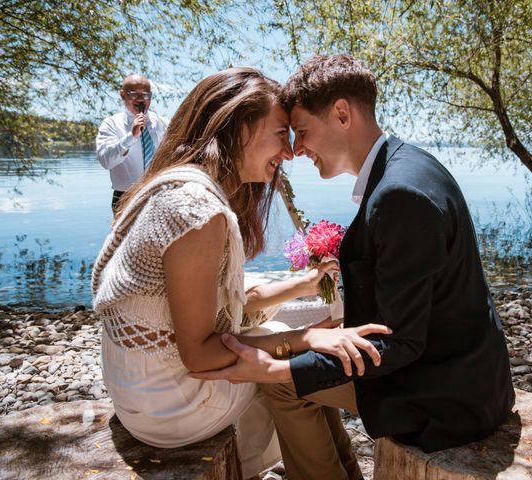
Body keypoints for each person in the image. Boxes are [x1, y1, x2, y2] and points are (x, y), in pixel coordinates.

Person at [191, 55, 516, 480]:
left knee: (283, 385)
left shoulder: (399, 194)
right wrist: (325, 333)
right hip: (459, 367)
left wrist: (279, 367)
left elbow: (400, 345)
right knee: (303, 364)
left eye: (303, 132)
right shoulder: (404, 165)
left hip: (444, 394)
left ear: (342, 114)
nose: (296, 150)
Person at [91, 67, 390, 479]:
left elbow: (223, 299)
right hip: (168, 407)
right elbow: (199, 353)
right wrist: (306, 339)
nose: (289, 152)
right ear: (237, 128)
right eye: (281, 133)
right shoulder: (196, 209)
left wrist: (303, 286)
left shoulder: (176, 184)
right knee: (291, 374)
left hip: (138, 390)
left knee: (293, 340)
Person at [96, 74, 170, 211]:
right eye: (134, 94)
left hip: (161, 194)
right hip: (125, 197)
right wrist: (131, 136)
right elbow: (106, 161)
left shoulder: (164, 124)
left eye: (145, 94)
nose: (140, 99)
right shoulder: (111, 124)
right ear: (122, 95)